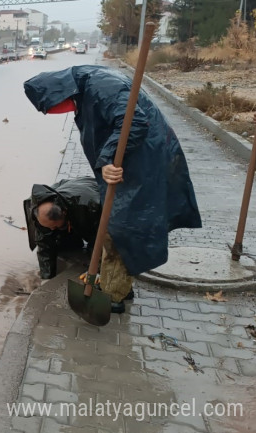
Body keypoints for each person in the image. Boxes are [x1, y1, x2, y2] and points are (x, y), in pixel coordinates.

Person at [24, 65, 202, 312]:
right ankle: (116, 285)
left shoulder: (102, 86)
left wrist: (107, 159)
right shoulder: (85, 86)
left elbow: (135, 122)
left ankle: (113, 297)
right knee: (116, 229)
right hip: (130, 162)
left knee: (119, 230)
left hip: (142, 161)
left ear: (58, 92)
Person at [23, 177, 101, 280]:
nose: (51, 229)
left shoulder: (90, 207)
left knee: (96, 242)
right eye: (48, 227)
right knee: (61, 243)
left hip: (92, 193)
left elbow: (101, 241)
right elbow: (44, 245)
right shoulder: (40, 214)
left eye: (54, 226)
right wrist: (46, 279)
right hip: (68, 191)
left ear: (64, 213)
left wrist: (96, 270)